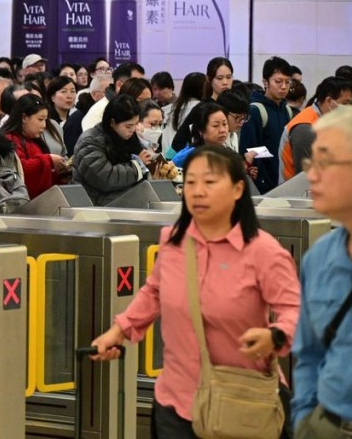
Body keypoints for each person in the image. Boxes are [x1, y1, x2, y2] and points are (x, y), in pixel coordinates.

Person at [90, 145, 300, 437]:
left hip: (241, 402)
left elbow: (295, 310)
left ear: (238, 189)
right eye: (190, 182)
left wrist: (274, 335)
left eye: (210, 182)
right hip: (175, 402)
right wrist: (119, 331)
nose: (198, 191)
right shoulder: (174, 241)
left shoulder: (263, 251)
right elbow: (154, 292)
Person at [292, 105, 352, 437]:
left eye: (325, 163)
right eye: (311, 163)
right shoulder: (319, 257)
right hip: (325, 425)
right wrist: (304, 418)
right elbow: (308, 353)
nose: (311, 175)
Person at [71, 94, 155, 205]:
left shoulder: (127, 138)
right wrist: (137, 166)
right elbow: (105, 178)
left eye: (135, 124)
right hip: (93, 205)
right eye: (128, 126)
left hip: (121, 201)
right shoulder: (89, 142)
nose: (133, 130)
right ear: (112, 122)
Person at [278, 76, 352, 184]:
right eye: (345, 103)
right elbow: (306, 178)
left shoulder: (326, 121)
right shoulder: (305, 128)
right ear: (329, 101)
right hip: (295, 191)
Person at [239, 56, 294, 193]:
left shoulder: (287, 110)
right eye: (278, 81)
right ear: (265, 82)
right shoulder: (255, 110)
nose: (283, 87)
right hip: (262, 187)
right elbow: (248, 150)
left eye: (288, 82)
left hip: (284, 182)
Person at [1, 94, 65, 199]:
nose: (44, 125)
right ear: (24, 117)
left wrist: (60, 176)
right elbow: (20, 169)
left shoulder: (35, 141)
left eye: (45, 120)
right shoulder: (10, 139)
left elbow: (43, 179)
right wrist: (49, 160)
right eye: (40, 119)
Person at [170, 102, 230, 168]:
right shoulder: (187, 156)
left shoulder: (230, 154)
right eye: (215, 125)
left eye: (224, 124)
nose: (222, 130)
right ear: (201, 131)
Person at [161, 71, 206, 158]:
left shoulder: (168, 109)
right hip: (187, 158)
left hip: (168, 156)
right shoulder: (202, 109)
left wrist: (169, 157)